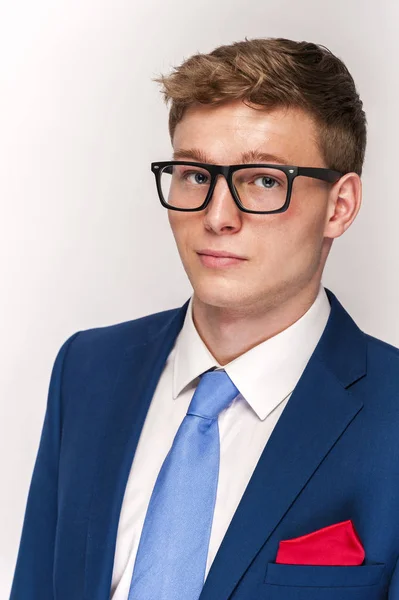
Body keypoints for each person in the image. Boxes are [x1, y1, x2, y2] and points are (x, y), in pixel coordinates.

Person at [9, 36, 399, 600]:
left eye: (264, 180)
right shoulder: (87, 371)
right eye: (194, 175)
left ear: (339, 206)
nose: (217, 217)